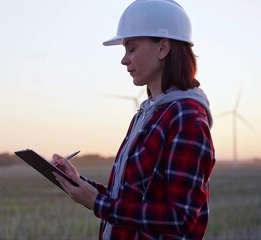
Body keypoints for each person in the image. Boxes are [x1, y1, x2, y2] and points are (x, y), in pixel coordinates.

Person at [52, 0, 216, 239]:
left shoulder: (186, 117)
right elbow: (131, 198)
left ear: (163, 48)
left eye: (131, 48)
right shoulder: (148, 114)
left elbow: (180, 218)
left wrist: (98, 203)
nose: (124, 60)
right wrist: (79, 182)